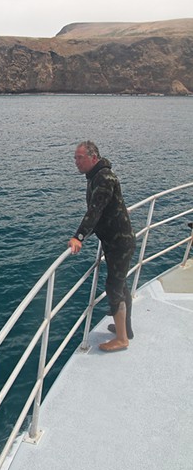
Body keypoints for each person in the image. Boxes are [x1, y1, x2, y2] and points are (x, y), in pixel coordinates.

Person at [68, 141, 136, 352]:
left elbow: (95, 211)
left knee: (114, 287)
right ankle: (125, 329)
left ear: (93, 158)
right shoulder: (96, 176)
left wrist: (78, 237)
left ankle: (122, 339)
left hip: (119, 242)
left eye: (80, 158)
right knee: (121, 284)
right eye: (75, 158)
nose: (76, 162)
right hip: (116, 241)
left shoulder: (104, 178)